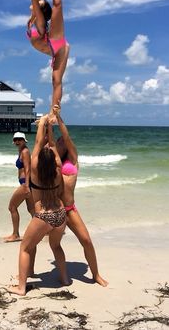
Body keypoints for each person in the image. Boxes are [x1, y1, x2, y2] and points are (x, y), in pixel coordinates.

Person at [7, 115, 69, 296]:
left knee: (25, 248)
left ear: (38, 160)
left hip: (43, 216)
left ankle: (21, 288)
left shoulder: (34, 171)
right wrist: (49, 127)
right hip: (60, 214)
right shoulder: (58, 169)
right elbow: (52, 148)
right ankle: (65, 279)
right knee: (56, 246)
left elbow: (37, 144)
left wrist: (42, 124)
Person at [53, 107, 108, 287]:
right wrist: (47, 125)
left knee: (86, 241)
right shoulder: (53, 159)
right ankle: (60, 275)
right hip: (55, 210)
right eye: (59, 141)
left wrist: (59, 119)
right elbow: (48, 141)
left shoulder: (73, 160)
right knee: (51, 244)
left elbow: (66, 138)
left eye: (63, 140)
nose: (62, 141)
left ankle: (96, 274)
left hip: (70, 208)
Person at [27, 0, 69, 119]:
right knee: (54, 80)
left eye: (39, 5)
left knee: (57, 3)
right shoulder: (32, 20)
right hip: (54, 48)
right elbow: (35, 1)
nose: (37, 4)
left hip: (57, 43)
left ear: (40, 11)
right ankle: (54, 112)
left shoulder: (40, 24)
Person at [4, 132, 34, 243]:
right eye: (15, 139)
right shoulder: (21, 151)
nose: (17, 141)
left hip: (25, 183)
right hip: (26, 183)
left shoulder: (25, 152)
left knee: (12, 207)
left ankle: (15, 234)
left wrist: (26, 185)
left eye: (19, 139)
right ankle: (43, 231)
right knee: (32, 210)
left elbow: (27, 169)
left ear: (24, 140)